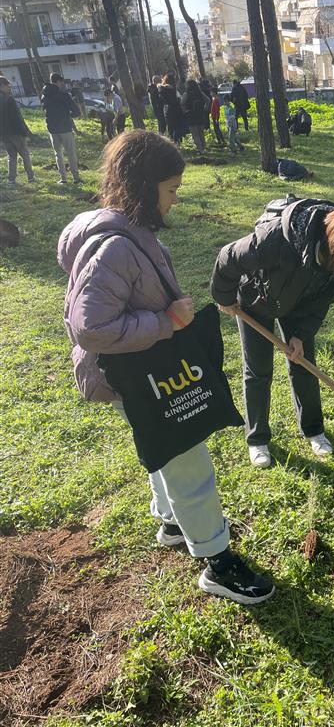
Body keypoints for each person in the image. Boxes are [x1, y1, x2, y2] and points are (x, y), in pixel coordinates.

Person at [57, 130, 275, 604]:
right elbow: (90, 327)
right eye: (171, 190)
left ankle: (173, 523)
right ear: (143, 186)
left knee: (160, 445)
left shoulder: (128, 230)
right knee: (187, 458)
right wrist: (165, 320)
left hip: (139, 374)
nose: (175, 200)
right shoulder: (114, 246)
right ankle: (217, 561)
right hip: (138, 372)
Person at [211, 199, 334, 469]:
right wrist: (224, 298)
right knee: (258, 370)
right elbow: (228, 257)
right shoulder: (276, 239)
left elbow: (322, 302)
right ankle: (257, 438)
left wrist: (301, 335)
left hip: (300, 306)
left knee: (303, 363)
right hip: (257, 300)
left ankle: (313, 430)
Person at [41, 72, 82, 185]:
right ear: (58, 81)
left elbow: (44, 110)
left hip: (52, 129)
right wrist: (69, 115)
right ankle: (76, 178)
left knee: (58, 154)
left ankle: (63, 178)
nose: (63, 84)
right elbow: (76, 111)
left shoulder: (44, 95)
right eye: (62, 81)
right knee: (71, 153)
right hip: (65, 128)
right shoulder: (64, 95)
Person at [0, 75, 36, 185]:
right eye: (7, 85)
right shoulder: (9, 99)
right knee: (25, 154)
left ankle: (11, 180)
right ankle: (30, 177)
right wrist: (24, 131)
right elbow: (17, 117)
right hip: (15, 132)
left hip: (3, 133)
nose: (9, 87)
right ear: (1, 86)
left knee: (11, 156)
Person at [181, 79, 211, 154]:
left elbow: (182, 103)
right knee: (201, 133)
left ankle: (200, 150)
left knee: (195, 134)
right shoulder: (200, 93)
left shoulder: (186, 94)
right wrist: (205, 109)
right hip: (200, 114)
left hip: (191, 115)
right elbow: (208, 100)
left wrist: (184, 111)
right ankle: (204, 148)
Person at [158, 73, 187, 144]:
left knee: (170, 126)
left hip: (167, 109)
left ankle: (172, 141)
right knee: (177, 125)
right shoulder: (173, 90)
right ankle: (178, 140)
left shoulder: (161, 89)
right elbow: (178, 98)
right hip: (176, 109)